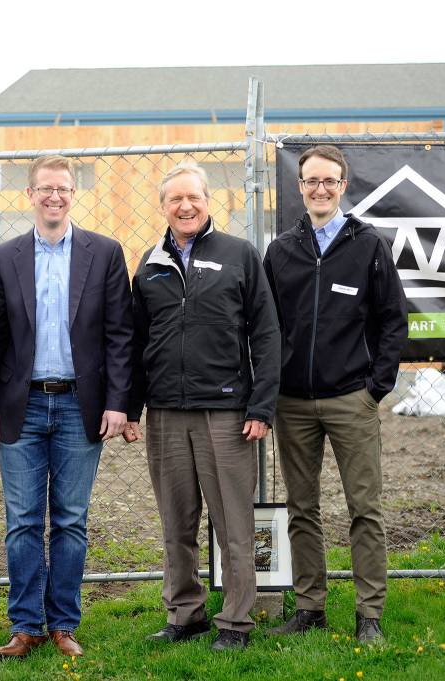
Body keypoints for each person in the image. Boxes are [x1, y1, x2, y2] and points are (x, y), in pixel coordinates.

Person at [0, 155, 134, 659]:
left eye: (63, 189)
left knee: (70, 519)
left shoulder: (104, 253)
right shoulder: (3, 257)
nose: (54, 196)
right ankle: (26, 626)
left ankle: (64, 623)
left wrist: (118, 403)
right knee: (22, 519)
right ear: (29, 195)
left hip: (78, 406)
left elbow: (119, 335)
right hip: (20, 404)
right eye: (45, 188)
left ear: (73, 195)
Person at [125, 162, 280, 651]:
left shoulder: (239, 255)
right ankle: (185, 613)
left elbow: (268, 334)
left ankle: (236, 620)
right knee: (176, 520)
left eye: (193, 197)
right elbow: (135, 343)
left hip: (227, 413)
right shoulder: (149, 264)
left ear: (209, 201)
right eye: (175, 199)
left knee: (233, 521)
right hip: (167, 411)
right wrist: (131, 408)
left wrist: (261, 406)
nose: (185, 206)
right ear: (164, 206)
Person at [263, 145, 407, 644]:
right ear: (299, 187)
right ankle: (310, 609)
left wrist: (376, 389)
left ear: (343, 185)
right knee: (302, 509)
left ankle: (370, 616)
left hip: (352, 400)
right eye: (310, 181)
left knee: (364, 509)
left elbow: (393, 319)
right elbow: (265, 325)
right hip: (293, 404)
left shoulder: (367, 245)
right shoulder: (281, 250)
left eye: (329, 181)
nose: (319, 189)